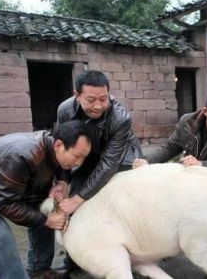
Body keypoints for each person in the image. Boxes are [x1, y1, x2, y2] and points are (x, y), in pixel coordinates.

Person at [142, 90, 207, 268]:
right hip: (188, 182)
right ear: (206, 111)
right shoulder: (187, 122)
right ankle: (165, 248)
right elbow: (171, 147)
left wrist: (201, 164)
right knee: (171, 213)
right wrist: (147, 161)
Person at [55, 70, 143, 273]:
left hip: (121, 158)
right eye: (91, 99)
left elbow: (109, 163)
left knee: (123, 203)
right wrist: (62, 181)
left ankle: (135, 257)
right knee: (73, 200)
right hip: (88, 155)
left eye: (104, 99)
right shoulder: (65, 110)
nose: (98, 106)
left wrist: (80, 198)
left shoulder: (120, 118)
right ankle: (74, 258)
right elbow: (63, 145)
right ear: (76, 94)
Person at [0, 120, 91, 279]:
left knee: (44, 209)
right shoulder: (23, 156)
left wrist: (61, 183)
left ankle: (39, 271)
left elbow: (61, 166)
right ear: (59, 145)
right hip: (1, 193)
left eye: (83, 158)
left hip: (8, 186)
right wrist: (46, 220)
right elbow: (4, 203)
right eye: (76, 156)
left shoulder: (51, 146)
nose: (78, 163)